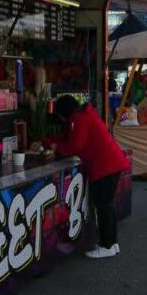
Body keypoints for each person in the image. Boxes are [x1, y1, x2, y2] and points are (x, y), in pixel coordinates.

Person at [48, 95, 131, 259]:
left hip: (105, 166)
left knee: (103, 206)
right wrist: (49, 141)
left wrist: (55, 146)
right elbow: (70, 139)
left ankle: (107, 245)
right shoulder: (85, 114)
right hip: (111, 163)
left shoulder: (79, 119)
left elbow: (75, 145)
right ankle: (112, 243)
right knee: (107, 205)